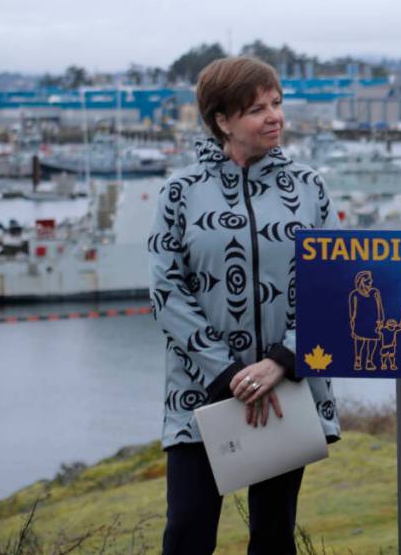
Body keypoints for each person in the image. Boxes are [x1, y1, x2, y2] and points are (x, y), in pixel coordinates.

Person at [148, 56, 340, 555]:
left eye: (276, 103)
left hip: (285, 389)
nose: (274, 116)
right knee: (186, 534)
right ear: (222, 121)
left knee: (274, 536)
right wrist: (228, 374)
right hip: (201, 395)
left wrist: (281, 361)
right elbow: (166, 291)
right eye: (257, 109)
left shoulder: (309, 188)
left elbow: (334, 283)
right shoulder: (180, 192)